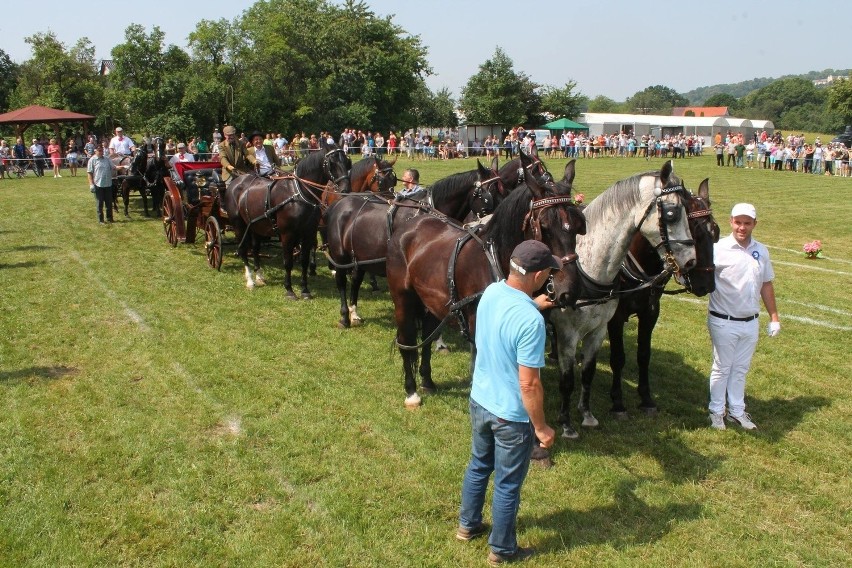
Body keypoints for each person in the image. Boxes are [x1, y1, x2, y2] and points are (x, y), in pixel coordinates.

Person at [458, 240, 557, 566]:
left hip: (479, 401)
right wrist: (541, 428)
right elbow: (529, 384)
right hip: (510, 417)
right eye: (548, 273)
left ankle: (467, 525)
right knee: (507, 484)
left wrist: (534, 305)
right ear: (539, 273)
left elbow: (510, 314)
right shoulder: (531, 322)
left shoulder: (491, 293)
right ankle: (501, 548)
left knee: (478, 466)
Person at [707, 203, 780, 431]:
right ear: (731, 222)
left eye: (747, 223)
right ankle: (716, 411)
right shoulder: (717, 250)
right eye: (738, 222)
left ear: (754, 225)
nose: (742, 227)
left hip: (751, 321)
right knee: (722, 367)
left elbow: (766, 284)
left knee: (740, 368)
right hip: (723, 320)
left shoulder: (761, 251)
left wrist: (774, 317)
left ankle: (737, 411)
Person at [87, 144, 117, 223]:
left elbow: (114, 167)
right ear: (95, 151)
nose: (101, 152)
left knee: (109, 203)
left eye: (102, 150)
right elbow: (89, 173)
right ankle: (101, 220)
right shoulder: (92, 160)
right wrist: (91, 184)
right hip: (98, 185)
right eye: (99, 151)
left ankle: (110, 219)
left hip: (108, 184)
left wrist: (125, 166)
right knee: (99, 204)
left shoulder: (107, 159)